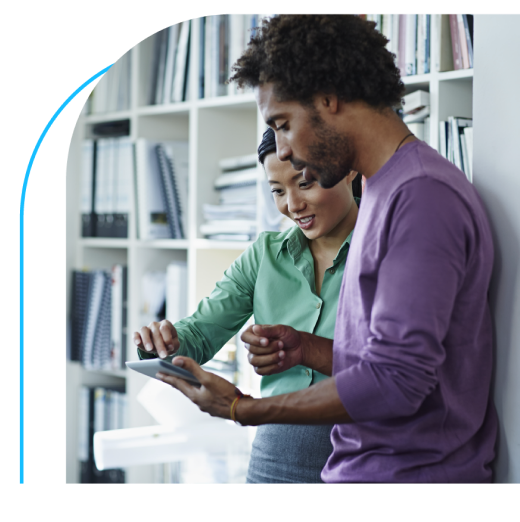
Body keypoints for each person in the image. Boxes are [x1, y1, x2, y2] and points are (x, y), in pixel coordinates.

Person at [157, 13, 499, 485]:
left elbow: (398, 382)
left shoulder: (421, 196)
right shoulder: (386, 188)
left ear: (327, 100)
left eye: (282, 124)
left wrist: (244, 407)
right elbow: (389, 361)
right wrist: (309, 349)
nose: (282, 151)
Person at [133, 127, 361, 484]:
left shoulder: (384, 250)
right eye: (277, 191)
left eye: (305, 183)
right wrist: (168, 341)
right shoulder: (265, 255)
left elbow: (392, 366)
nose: (292, 205)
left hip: (361, 449)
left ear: (349, 169)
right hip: (274, 452)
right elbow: (202, 331)